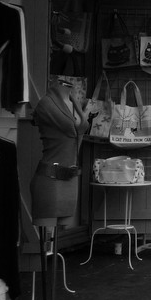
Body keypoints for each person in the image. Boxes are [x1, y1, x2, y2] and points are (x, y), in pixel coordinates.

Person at [31, 78, 88, 225]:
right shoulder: (46, 104)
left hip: (70, 180)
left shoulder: (74, 102)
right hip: (50, 179)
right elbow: (69, 126)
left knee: (57, 239)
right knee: (48, 242)